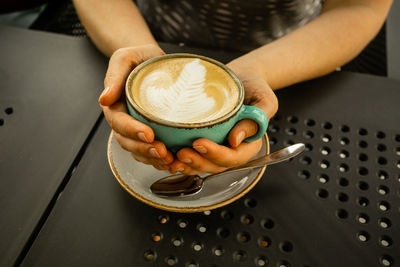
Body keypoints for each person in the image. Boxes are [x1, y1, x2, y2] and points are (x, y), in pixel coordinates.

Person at [72, 0, 392, 175]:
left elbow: (359, 6)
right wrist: (140, 61)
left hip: (297, 58)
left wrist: (259, 69)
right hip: (138, 34)